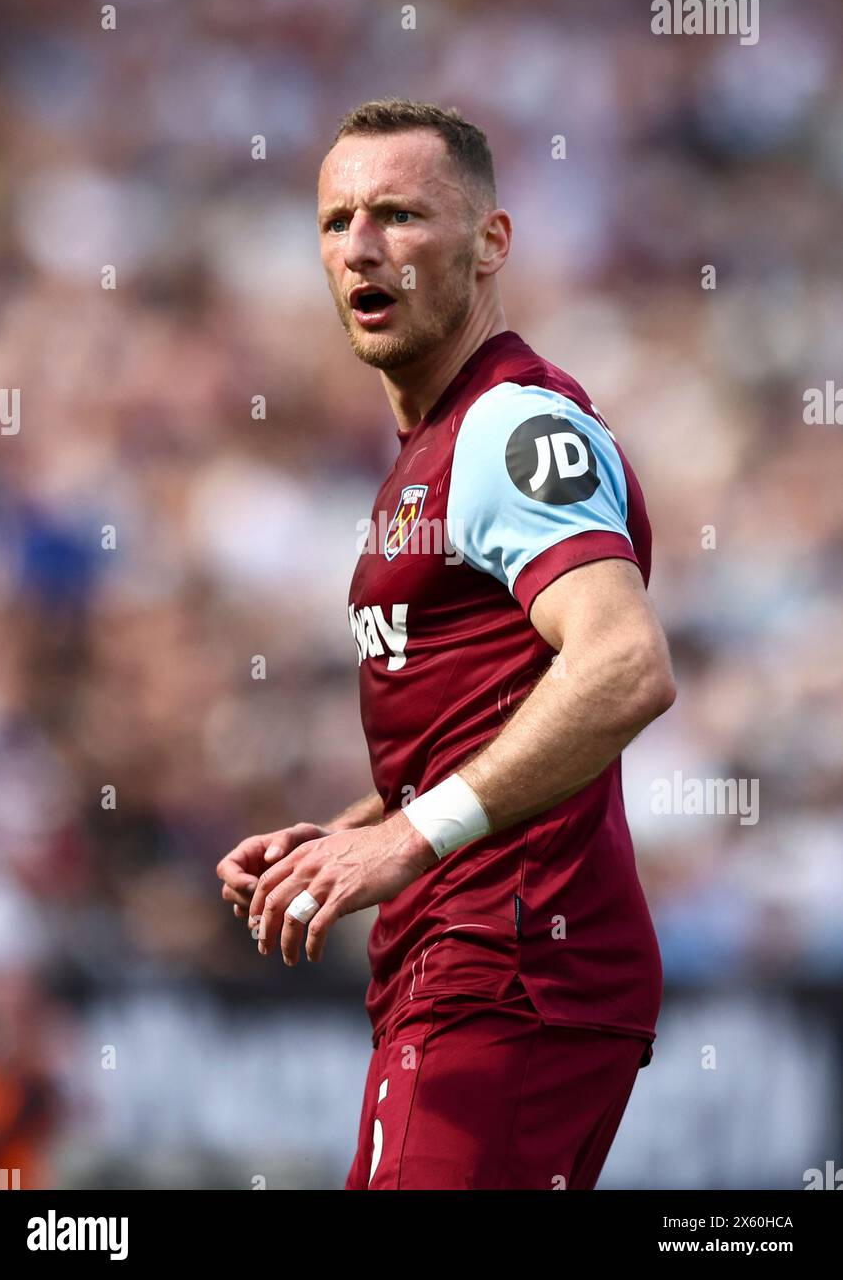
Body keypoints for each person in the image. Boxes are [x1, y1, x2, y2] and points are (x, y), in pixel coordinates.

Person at [216, 98, 677, 1190]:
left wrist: (404, 841)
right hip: (466, 962)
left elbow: (620, 665)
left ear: (489, 244)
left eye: (399, 216)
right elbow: (503, 706)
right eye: (336, 222)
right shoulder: (427, 446)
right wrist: (347, 831)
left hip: (512, 962)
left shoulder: (512, 426)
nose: (361, 248)